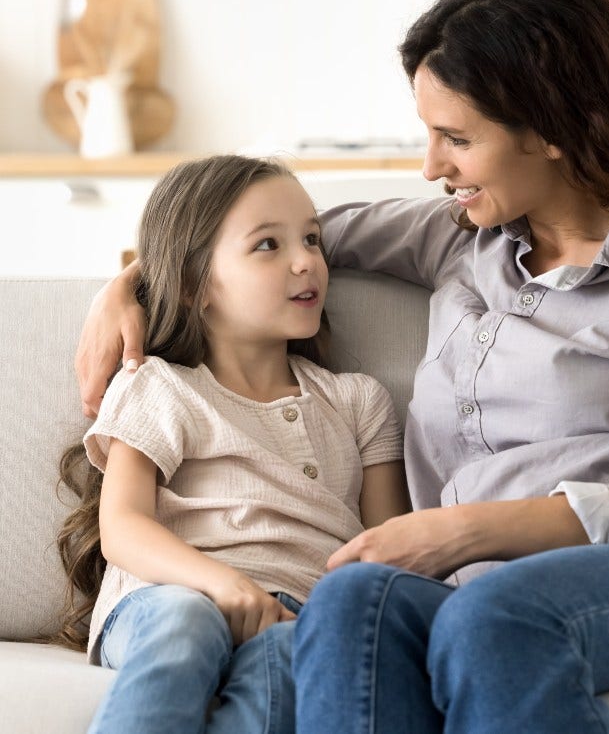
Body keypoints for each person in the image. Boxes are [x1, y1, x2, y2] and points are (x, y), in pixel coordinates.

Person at [74, 0, 609, 734]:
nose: (431, 167)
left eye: (455, 138)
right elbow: (259, 242)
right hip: (465, 587)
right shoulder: (460, 237)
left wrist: (467, 530)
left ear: (550, 129)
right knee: (347, 600)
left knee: (494, 615)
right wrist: (136, 281)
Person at [55, 154, 409, 734]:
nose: (307, 262)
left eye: (313, 239)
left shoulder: (357, 401)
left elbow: (389, 550)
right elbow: (122, 528)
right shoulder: (160, 385)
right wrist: (221, 584)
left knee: (288, 665)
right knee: (186, 623)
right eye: (268, 245)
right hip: (167, 597)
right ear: (196, 284)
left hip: (296, 617)